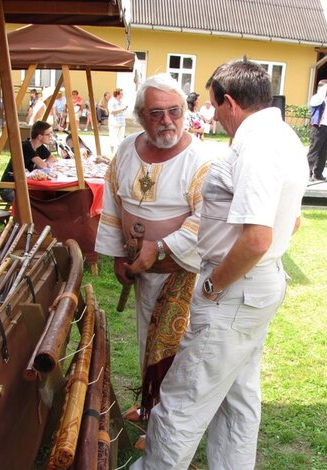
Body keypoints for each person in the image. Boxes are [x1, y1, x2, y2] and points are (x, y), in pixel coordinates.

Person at [130, 58, 308, 470]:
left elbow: (257, 238)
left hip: (233, 287)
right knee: (237, 395)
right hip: (255, 285)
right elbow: (293, 221)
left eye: (212, 106)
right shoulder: (284, 136)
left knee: (183, 398)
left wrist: (213, 287)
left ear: (229, 102)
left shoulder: (257, 144)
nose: (213, 116)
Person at [95, 74, 211, 431]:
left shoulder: (200, 160)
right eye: (156, 113)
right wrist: (118, 254)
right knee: (148, 338)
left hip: (182, 274)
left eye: (174, 112)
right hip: (143, 271)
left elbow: (204, 219)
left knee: (176, 350)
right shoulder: (127, 149)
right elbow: (113, 203)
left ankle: (167, 424)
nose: (166, 121)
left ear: (185, 112)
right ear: (140, 116)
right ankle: (150, 407)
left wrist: (159, 247)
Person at [0, 120, 57, 203]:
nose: (51, 136)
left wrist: (43, 165)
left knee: (44, 196)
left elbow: (53, 158)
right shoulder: (26, 146)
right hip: (9, 188)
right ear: (40, 136)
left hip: (22, 186)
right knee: (35, 203)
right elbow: (42, 166)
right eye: (49, 134)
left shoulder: (40, 147)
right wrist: (43, 165)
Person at [307, 79, 327, 181]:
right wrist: (323, 90)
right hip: (318, 127)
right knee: (314, 150)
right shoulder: (316, 98)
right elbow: (318, 101)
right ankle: (307, 172)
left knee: (323, 151)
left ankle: (318, 173)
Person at [107, 88, 127, 155]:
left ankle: (119, 152)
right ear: (117, 94)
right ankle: (111, 153)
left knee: (121, 138)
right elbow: (111, 111)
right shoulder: (112, 101)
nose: (123, 95)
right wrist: (122, 109)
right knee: (113, 138)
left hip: (121, 122)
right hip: (114, 122)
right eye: (121, 94)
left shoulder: (121, 101)